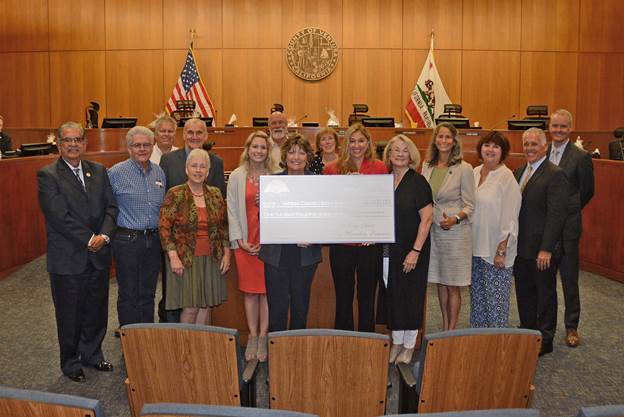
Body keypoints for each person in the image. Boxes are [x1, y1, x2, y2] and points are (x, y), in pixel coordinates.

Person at [37, 121, 118, 382]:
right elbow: (59, 216)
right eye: (67, 140)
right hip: (68, 258)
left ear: (85, 143)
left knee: (96, 309)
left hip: (98, 256)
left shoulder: (99, 171)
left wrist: (103, 236)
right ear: (59, 144)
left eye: (78, 140)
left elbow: (111, 208)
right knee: (69, 314)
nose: (73, 145)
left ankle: (93, 355)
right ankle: (70, 363)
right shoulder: (48, 175)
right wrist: (89, 239)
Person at [158, 117, 225, 322]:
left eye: (199, 133)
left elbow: (222, 221)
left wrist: (226, 252)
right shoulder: (169, 161)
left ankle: (201, 346)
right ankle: (180, 344)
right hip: (183, 251)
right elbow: (165, 222)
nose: (198, 170)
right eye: (190, 132)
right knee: (188, 304)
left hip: (209, 253)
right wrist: (172, 255)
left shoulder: (216, 169)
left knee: (205, 302)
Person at [324, 123, 388, 332]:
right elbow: (328, 204)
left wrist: (376, 231)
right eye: (352, 141)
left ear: (368, 143)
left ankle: (367, 342)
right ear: (346, 143)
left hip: (369, 244)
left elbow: (383, 203)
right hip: (342, 243)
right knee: (343, 296)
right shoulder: (332, 169)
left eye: (361, 141)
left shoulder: (379, 167)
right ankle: (343, 340)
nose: (356, 145)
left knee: (367, 296)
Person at [259, 134, 322, 337]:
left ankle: (296, 351)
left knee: (300, 306)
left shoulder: (319, 183)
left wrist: (314, 237)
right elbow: (265, 219)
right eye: (292, 152)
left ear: (308, 157)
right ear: (284, 156)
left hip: (305, 256)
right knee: (277, 306)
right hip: (276, 255)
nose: (296, 157)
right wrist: (264, 205)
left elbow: (326, 218)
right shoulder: (273, 182)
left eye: (302, 152)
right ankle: (275, 350)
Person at [514, 127, 568, 356]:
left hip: (541, 249)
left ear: (544, 147)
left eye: (534, 144)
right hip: (521, 248)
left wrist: (546, 249)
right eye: (526, 144)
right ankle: (527, 333)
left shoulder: (555, 174)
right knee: (524, 292)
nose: (529, 149)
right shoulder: (518, 172)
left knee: (544, 294)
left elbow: (557, 215)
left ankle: (545, 339)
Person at [380, 135, 433, 364]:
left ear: (411, 155)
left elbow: (427, 219)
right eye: (396, 150)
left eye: (405, 150)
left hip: (411, 249)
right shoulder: (384, 180)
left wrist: (416, 251)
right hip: (387, 250)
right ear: (389, 155)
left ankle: (410, 345)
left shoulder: (418, 182)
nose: (400, 154)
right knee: (393, 294)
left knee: (410, 296)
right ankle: (397, 342)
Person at [227, 131, 279, 362]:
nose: (258, 151)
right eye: (255, 147)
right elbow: (231, 209)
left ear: (268, 151)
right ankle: (253, 335)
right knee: (249, 292)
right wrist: (239, 240)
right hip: (244, 242)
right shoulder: (237, 176)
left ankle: (264, 336)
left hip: (267, 243)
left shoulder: (276, 175)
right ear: (248, 149)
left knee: (266, 291)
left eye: (263, 148)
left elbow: (282, 211)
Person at [108, 126, 166, 328]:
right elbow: (107, 207)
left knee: (148, 292)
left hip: (153, 239)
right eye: (137, 145)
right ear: (129, 148)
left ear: (152, 147)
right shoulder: (115, 173)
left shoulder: (158, 171)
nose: (142, 149)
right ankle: (130, 340)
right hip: (127, 240)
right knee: (129, 293)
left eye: (146, 145)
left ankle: (147, 336)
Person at [421, 122, 475, 331]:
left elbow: (471, 205)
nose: (443, 141)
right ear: (435, 140)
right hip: (433, 232)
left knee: (452, 284)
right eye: (440, 137)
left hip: (455, 233)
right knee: (440, 282)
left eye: (448, 137)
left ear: (454, 142)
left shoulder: (464, 169)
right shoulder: (427, 165)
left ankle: (451, 331)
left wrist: (456, 218)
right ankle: (444, 327)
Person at [547, 109, 595, 347]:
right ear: (549, 127)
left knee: (568, 280)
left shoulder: (581, 157)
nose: (558, 130)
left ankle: (571, 327)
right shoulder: (541, 152)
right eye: (555, 126)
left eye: (563, 127)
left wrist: (568, 210)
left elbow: (587, 191)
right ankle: (545, 324)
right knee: (545, 280)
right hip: (545, 230)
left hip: (567, 229)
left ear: (570, 128)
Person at [470, 131, 521, 328]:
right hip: (475, 250)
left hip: (495, 252)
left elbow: (510, 219)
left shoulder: (506, 177)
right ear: (480, 148)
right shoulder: (474, 172)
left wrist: (502, 251)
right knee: (478, 303)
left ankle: (498, 350)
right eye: (487, 145)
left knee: (496, 306)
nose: (490, 150)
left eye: (496, 146)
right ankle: (480, 346)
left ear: (503, 152)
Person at [160, 117, 225, 195]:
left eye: (199, 133)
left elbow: (220, 196)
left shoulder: (216, 162)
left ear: (206, 136)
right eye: (190, 132)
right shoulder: (167, 160)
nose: (194, 137)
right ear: (184, 135)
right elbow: (162, 194)